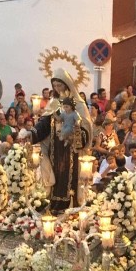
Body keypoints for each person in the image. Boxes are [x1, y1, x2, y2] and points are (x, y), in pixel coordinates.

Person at [30, 68, 93, 211]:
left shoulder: (79, 104)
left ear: (67, 84)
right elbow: (44, 124)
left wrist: (77, 132)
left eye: (60, 85)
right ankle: (54, 205)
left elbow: (86, 126)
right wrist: (32, 133)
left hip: (72, 150)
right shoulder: (53, 103)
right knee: (57, 177)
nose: (57, 88)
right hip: (55, 150)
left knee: (69, 178)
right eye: (55, 86)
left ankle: (71, 205)